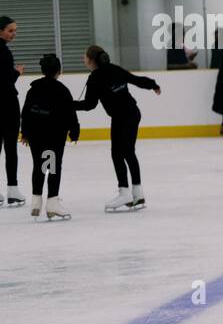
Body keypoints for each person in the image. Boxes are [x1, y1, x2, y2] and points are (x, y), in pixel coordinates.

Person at [74, 46, 160, 212]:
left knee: (117, 154)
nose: (83, 60)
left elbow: (88, 105)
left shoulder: (94, 78)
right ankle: (137, 191)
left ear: (92, 60)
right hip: (133, 113)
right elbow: (136, 80)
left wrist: (67, 105)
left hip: (121, 118)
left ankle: (125, 192)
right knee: (128, 152)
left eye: (85, 57)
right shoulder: (115, 69)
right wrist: (153, 85)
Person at [20, 53, 79, 221]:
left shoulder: (33, 89)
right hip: (53, 136)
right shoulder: (61, 90)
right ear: (58, 71)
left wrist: (24, 132)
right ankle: (52, 202)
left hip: (36, 135)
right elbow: (70, 113)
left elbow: (25, 113)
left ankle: (36, 201)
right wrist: (74, 131)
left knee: (39, 165)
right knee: (52, 166)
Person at [0, 15, 25, 207]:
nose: (13, 34)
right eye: (10, 31)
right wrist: (17, 72)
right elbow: (6, 82)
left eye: (15, 31)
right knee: (10, 148)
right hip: (7, 106)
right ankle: (13, 190)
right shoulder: (5, 53)